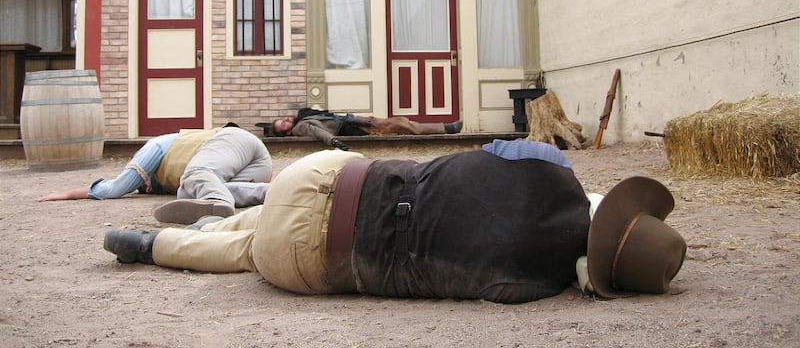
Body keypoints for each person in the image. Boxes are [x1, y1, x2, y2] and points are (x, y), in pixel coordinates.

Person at [102, 140, 686, 303]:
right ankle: (156, 245)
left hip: (323, 178)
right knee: (251, 255)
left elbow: (497, 152)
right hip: (311, 263)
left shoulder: (549, 167)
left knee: (274, 209)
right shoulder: (531, 287)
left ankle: (223, 214)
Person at [38, 123, 273, 225]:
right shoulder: (177, 181)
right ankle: (275, 192)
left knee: (195, 175)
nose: (145, 188)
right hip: (255, 169)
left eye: (141, 185)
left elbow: (117, 187)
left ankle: (218, 203)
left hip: (235, 140)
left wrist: (70, 193)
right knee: (188, 191)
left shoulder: (155, 146)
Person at [266, 107, 463, 150]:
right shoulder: (301, 127)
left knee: (400, 123)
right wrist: (334, 141)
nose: (285, 120)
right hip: (351, 129)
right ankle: (446, 129)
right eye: (282, 125)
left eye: (282, 120)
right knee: (400, 124)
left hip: (353, 121)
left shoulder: (303, 116)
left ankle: (444, 128)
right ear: (287, 132)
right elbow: (319, 132)